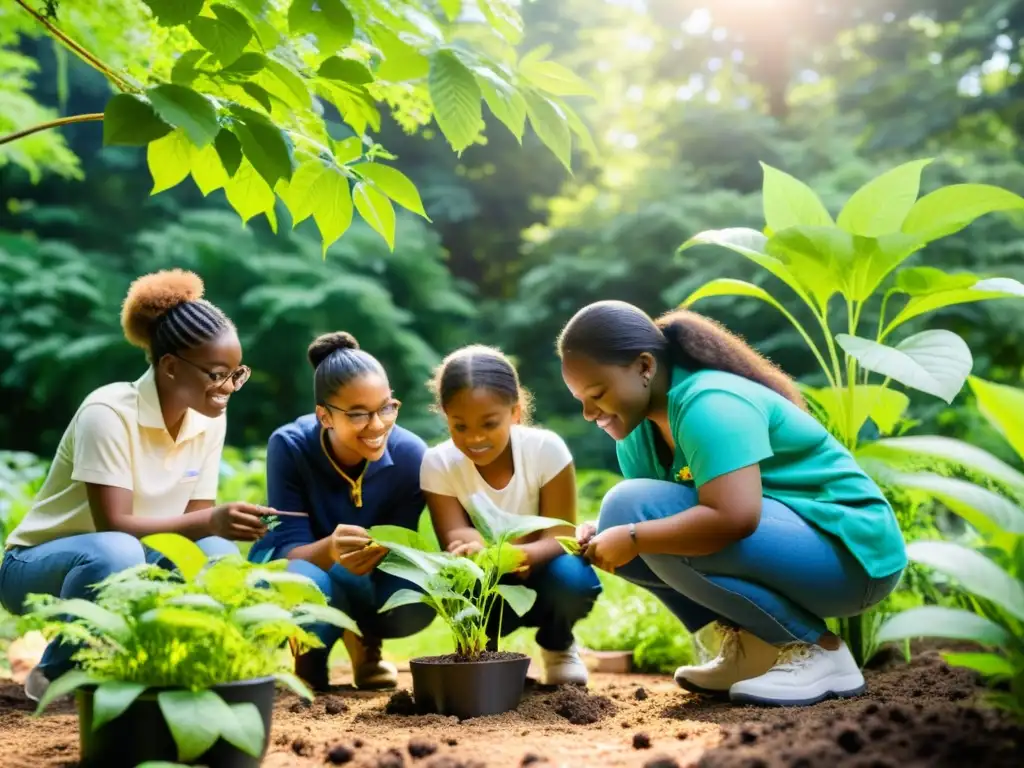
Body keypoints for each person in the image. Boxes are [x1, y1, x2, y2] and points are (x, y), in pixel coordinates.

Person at [558, 300, 906, 707]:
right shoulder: (639, 436)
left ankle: (819, 651)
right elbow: (650, 516)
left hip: (851, 556)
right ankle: (753, 650)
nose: (586, 412)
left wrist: (635, 534)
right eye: (580, 398)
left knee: (638, 518)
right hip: (791, 548)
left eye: (597, 393)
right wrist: (611, 535)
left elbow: (733, 518)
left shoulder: (711, 403)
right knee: (621, 515)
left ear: (644, 367)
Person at [0, 269, 270, 701]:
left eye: (237, 374)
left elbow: (193, 526)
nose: (228, 388)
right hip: (39, 566)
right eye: (217, 374)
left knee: (218, 555)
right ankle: (54, 673)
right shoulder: (107, 413)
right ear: (169, 366)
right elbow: (114, 523)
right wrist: (213, 519)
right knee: (118, 551)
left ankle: (174, 668)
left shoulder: (208, 418)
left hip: (130, 556)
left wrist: (220, 526)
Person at [250, 332, 434, 691]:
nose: (378, 425)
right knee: (307, 581)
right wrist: (330, 550)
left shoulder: (411, 454)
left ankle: (365, 643)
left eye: (386, 407)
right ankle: (309, 655)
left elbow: (398, 544)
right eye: (359, 415)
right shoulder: (289, 446)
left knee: (415, 591)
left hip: (368, 574)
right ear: (325, 416)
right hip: (299, 564)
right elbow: (288, 549)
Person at [420, 345, 601, 686]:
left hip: (545, 566)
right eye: (460, 426)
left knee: (573, 580)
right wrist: (473, 548)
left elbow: (562, 534)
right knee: (459, 581)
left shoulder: (546, 449)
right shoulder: (438, 463)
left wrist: (522, 555)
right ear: (445, 416)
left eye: (490, 424)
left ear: (515, 412)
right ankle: (480, 656)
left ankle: (558, 644)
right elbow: (455, 536)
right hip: (485, 575)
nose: (474, 437)